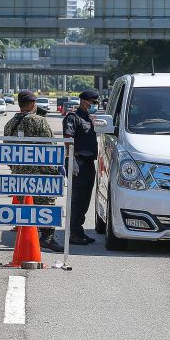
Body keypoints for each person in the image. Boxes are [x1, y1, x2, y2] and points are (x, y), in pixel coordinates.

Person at [4, 89, 62, 252]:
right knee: (46, 205)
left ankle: (27, 237)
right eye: (35, 103)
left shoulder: (10, 124)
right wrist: (53, 170)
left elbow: (5, 152)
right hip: (40, 173)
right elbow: (49, 147)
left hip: (19, 175)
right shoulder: (39, 121)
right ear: (31, 104)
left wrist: (16, 168)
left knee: (25, 207)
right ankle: (47, 237)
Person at [63, 89, 100, 245]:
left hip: (89, 164)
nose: (95, 106)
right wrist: (71, 160)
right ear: (85, 101)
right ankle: (73, 233)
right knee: (77, 200)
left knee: (85, 200)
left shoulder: (88, 118)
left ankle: (79, 230)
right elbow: (68, 138)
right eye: (93, 103)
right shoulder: (73, 117)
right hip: (78, 162)